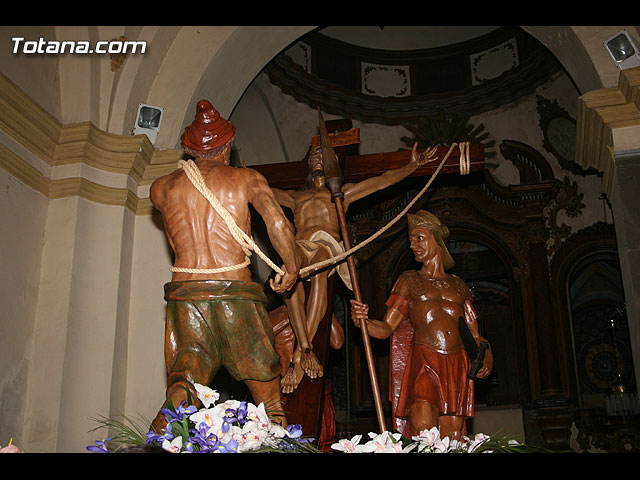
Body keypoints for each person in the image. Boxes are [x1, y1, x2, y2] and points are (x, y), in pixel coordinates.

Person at [149, 100, 301, 432]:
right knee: (268, 393)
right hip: (237, 294)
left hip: (186, 296)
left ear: (188, 149)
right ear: (228, 146)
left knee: (185, 383)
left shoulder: (161, 188)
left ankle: (153, 444)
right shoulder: (246, 179)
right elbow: (278, 225)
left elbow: (175, 235)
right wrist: (291, 266)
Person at [271, 141, 429, 393]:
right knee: (289, 268)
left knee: (321, 265)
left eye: (324, 155)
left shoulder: (341, 193)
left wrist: (411, 166)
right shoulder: (294, 196)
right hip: (301, 246)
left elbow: (381, 181)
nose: (318, 159)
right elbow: (259, 192)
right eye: (314, 155)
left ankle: (304, 351)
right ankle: (303, 346)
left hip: (326, 246)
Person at [350, 210, 493, 440]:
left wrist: (487, 355)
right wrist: (363, 322)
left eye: (419, 238)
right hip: (424, 360)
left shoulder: (458, 286)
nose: (413, 245)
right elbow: (387, 328)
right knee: (423, 425)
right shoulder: (409, 280)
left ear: (436, 239)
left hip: (456, 363)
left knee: (453, 435)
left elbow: (475, 334)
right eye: (411, 240)